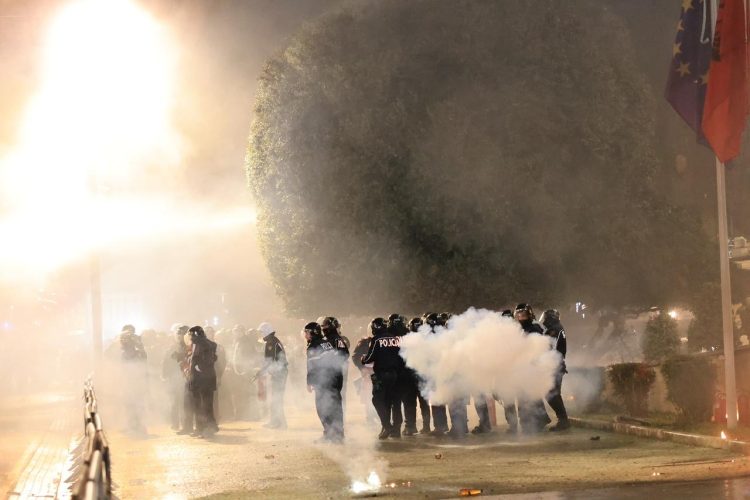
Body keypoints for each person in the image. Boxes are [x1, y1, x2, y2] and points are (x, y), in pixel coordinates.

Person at [361, 317, 404, 439]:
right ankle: (393, 430)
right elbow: (401, 356)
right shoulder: (394, 338)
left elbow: (369, 358)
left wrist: (363, 359)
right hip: (395, 374)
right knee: (391, 402)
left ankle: (387, 426)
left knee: (377, 400)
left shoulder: (377, 339)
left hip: (381, 374)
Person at [512, 303, 551, 434]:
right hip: (522, 368)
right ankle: (529, 422)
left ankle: (537, 421)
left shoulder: (535, 328)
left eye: (523, 315)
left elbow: (540, 348)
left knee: (531, 396)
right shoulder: (518, 330)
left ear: (529, 315)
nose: (521, 318)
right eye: (519, 315)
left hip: (532, 367)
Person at [305, 321, 345, 443]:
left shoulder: (313, 346)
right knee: (336, 407)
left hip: (324, 381)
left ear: (313, 333)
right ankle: (338, 435)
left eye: (307, 332)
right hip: (335, 378)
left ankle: (329, 435)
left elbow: (312, 367)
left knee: (323, 408)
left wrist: (309, 382)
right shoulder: (326, 342)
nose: (305, 335)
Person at [540, 309, 570, 431]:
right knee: (552, 394)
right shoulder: (556, 328)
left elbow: (550, 348)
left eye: (546, 317)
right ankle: (563, 420)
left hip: (555, 366)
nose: (544, 320)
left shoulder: (554, 330)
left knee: (552, 394)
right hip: (555, 365)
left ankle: (563, 420)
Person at [186, 326, 219, 437]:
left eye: (191, 335)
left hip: (204, 380)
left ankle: (209, 429)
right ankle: (201, 429)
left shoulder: (205, 344)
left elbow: (210, 359)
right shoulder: (198, 344)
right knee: (198, 406)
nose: (189, 337)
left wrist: (199, 367)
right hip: (198, 380)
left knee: (205, 406)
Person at [256, 322, 288, 429]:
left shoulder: (271, 342)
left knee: (276, 398)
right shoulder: (274, 340)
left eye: (261, 332)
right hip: (280, 372)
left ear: (266, 331)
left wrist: (261, 371)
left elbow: (270, 360)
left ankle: (276, 423)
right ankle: (279, 422)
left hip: (279, 373)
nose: (261, 334)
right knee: (277, 397)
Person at [118, 324, 148, 435]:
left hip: (136, 383)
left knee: (136, 405)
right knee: (129, 405)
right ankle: (132, 426)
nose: (123, 343)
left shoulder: (137, 352)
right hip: (128, 383)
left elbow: (143, 363)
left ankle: (138, 427)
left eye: (125, 340)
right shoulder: (124, 353)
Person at [423, 312, 449, 435]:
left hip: (434, 371)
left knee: (436, 400)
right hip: (444, 371)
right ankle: (443, 425)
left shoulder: (430, 336)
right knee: (441, 399)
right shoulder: (445, 333)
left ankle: (439, 427)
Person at [319, 317, 350, 412]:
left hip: (334, 373)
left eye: (325, 326)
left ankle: (338, 419)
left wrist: (333, 362)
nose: (323, 328)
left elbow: (345, 354)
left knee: (335, 398)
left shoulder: (337, 339)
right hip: (326, 374)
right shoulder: (325, 339)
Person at [162, 323, 189, 431]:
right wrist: (164, 375)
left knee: (184, 402)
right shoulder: (171, 348)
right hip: (173, 379)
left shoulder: (189, 347)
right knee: (174, 402)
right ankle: (175, 423)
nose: (179, 336)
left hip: (185, 377)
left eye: (181, 334)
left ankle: (185, 423)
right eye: (177, 334)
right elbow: (165, 362)